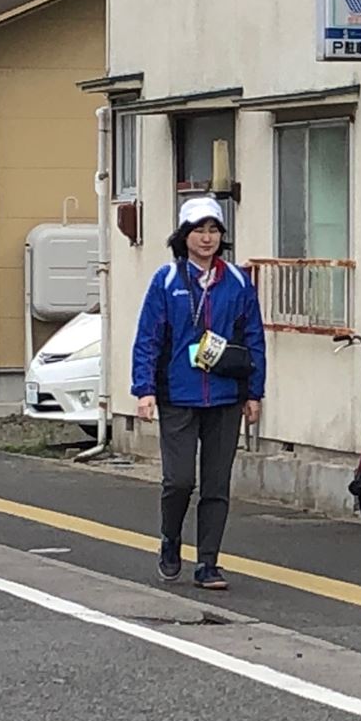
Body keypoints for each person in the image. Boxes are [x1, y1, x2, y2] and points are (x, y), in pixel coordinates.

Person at [130, 197, 266, 591]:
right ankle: (170, 540)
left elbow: (253, 338)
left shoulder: (238, 281)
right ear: (184, 236)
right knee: (179, 481)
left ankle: (209, 562)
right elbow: (148, 339)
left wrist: (253, 393)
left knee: (216, 484)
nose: (207, 239)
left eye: (214, 230)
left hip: (226, 395)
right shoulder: (167, 280)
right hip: (178, 394)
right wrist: (145, 389)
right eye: (199, 230)